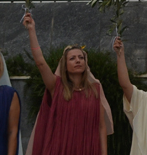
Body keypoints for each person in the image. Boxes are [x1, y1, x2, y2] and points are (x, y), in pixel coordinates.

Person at [22, 12, 114, 155]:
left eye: (81, 58)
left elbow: (101, 126)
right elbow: (40, 62)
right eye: (72, 58)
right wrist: (31, 30)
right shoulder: (56, 86)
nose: (78, 60)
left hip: (88, 149)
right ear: (64, 65)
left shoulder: (95, 89)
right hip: (60, 148)